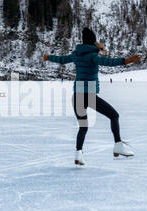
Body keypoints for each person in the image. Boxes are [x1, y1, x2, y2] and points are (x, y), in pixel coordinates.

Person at [43, 27, 141, 166]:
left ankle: (78, 154)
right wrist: (127, 60)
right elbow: (109, 62)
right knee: (114, 116)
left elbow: (62, 59)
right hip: (88, 95)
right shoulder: (93, 56)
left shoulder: (76, 54)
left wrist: (48, 57)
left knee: (83, 127)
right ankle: (118, 145)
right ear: (93, 42)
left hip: (77, 96)